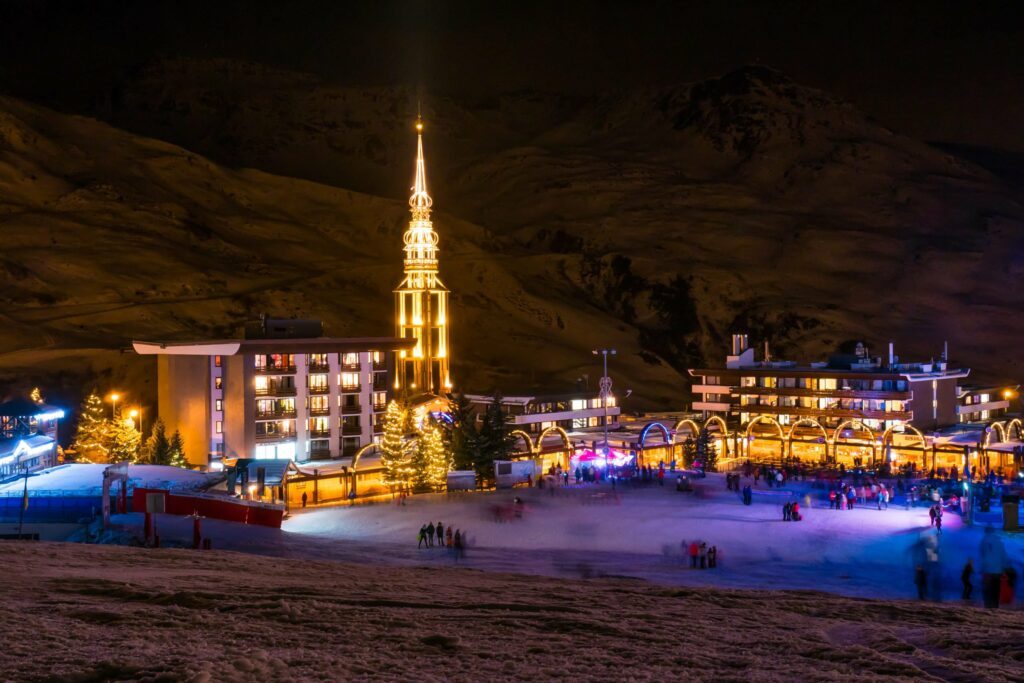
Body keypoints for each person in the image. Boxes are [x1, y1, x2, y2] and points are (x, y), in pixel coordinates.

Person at [980, 526, 1007, 608]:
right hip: (998, 570)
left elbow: (982, 555)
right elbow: (1003, 556)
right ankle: (995, 605)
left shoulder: (984, 541)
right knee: (996, 589)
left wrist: (982, 567)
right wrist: (1003, 568)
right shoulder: (999, 541)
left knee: (988, 589)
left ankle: (988, 606)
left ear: (986, 531)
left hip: (987, 569)